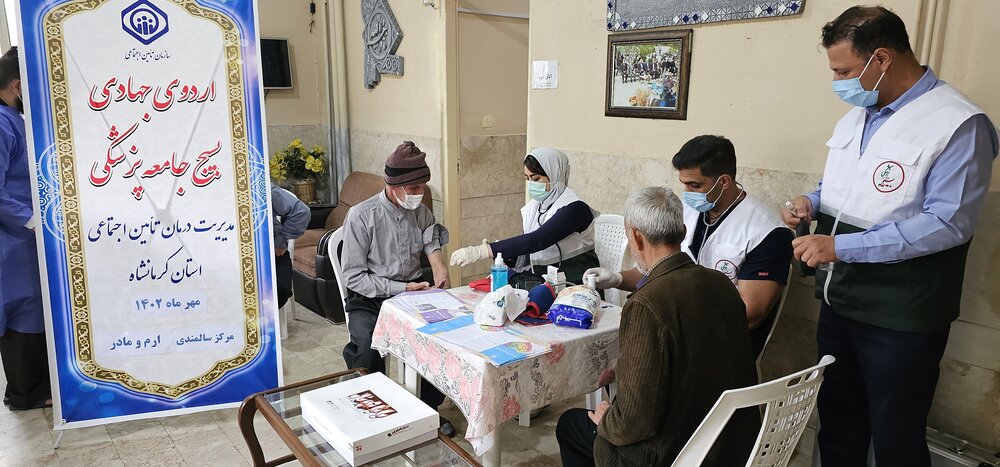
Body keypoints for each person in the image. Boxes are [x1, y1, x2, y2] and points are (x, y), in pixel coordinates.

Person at [783, 7, 998, 466]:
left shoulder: (957, 123)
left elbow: (948, 223)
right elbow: (845, 187)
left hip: (901, 314)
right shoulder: (856, 118)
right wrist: (810, 202)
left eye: (843, 71)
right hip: (839, 301)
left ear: (881, 58)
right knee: (838, 422)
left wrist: (840, 247)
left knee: (895, 435)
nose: (837, 82)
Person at [555, 187, 760, 467]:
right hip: (732, 445)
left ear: (636, 238)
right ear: (682, 232)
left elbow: (633, 423)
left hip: (676, 454)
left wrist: (607, 421)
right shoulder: (721, 283)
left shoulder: (645, 305)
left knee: (571, 424)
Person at [587, 135, 793, 357]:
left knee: (642, 356)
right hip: (678, 331)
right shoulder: (686, 210)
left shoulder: (768, 233)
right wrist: (617, 279)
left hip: (725, 347)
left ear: (724, 181)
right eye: (684, 184)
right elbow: (658, 271)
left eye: (695, 185)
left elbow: (750, 314)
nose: (687, 193)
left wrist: (670, 312)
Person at [340, 141, 455, 436]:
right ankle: (370, 417)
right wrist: (401, 287)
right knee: (367, 348)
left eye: (423, 187)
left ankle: (427, 410)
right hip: (369, 298)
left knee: (439, 340)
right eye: (414, 188)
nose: (419, 193)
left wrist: (441, 272)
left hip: (412, 296)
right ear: (393, 185)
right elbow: (353, 277)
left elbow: (432, 244)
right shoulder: (362, 216)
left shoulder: (421, 213)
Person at [449, 147, 600, 286]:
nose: (530, 184)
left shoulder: (576, 208)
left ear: (555, 175)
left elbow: (538, 240)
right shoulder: (538, 206)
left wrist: (485, 250)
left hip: (577, 285)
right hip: (547, 283)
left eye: (535, 178)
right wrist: (503, 253)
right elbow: (529, 248)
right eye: (527, 178)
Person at [0, 46, 51, 411]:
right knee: (23, 308)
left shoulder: (13, 119)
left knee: (33, 305)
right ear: (17, 86)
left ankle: (29, 387)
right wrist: (32, 221)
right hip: (14, 236)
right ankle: (26, 393)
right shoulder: (2, 124)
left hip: (25, 236)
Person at [271, 182, 310, 308]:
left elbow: (301, 212)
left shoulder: (260, 186)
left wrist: (280, 241)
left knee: (279, 290)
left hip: (270, 251)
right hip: (229, 255)